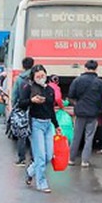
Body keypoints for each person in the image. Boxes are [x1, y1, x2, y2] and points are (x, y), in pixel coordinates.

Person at [20, 65, 60, 193]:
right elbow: (21, 103)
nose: (41, 78)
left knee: (48, 156)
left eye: (43, 75)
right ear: (33, 77)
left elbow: (51, 109)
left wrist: (56, 125)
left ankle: (30, 171)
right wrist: (32, 101)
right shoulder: (28, 88)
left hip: (48, 124)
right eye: (38, 76)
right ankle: (41, 183)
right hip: (35, 123)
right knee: (40, 156)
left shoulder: (50, 90)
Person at [66, 60, 102, 167]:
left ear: (85, 68)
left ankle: (71, 159)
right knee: (89, 137)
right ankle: (85, 161)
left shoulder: (77, 80)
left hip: (80, 112)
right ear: (96, 68)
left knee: (77, 136)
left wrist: (77, 103)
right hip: (93, 113)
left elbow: (71, 94)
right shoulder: (100, 83)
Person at [12, 57, 35, 166]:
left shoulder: (20, 79)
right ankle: (33, 158)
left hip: (22, 109)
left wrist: (13, 107)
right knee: (34, 134)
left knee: (22, 134)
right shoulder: (37, 76)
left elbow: (15, 95)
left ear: (23, 66)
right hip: (35, 108)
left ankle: (21, 159)